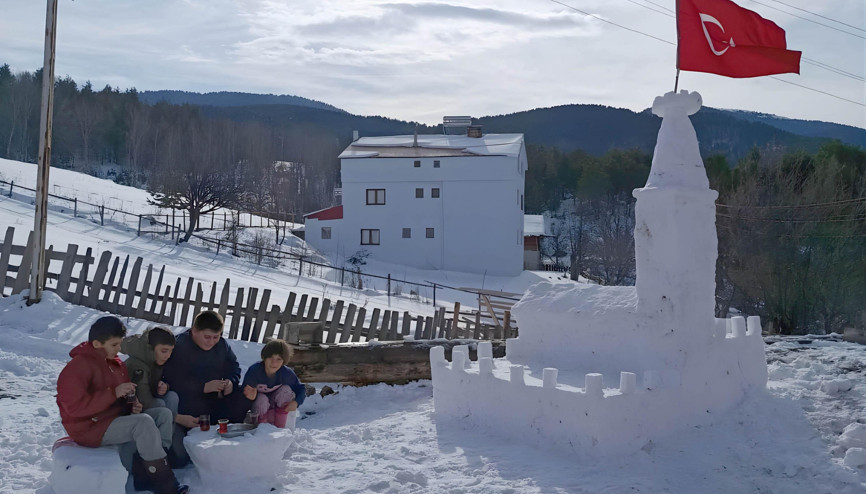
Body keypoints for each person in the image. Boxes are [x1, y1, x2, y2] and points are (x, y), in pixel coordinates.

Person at [56, 316, 188, 494]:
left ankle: (147, 474)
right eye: (114, 345)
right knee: (143, 423)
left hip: (112, 419)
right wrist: (113, 393)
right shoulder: (77, 368)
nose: (119, 349)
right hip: (89, 427)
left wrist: (132, 405)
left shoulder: (115, 364)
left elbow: (123, 395)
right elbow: (74, 409)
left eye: (120, 344)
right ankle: (166, 485)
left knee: (163, 414)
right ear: (96, 344)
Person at [162, 310, 246, 467]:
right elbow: (171, 379)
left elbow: (234, 366)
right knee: (180, 459)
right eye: (207, 337)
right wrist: (202, 387)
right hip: (188, 405)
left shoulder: (221, 345)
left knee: (242, 396)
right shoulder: (180, 346)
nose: (212, 342)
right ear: (194, 331)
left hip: (216, 401)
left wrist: (230, 382)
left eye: (216, 337)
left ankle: (233, 443)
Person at [242, 339, 306, 428]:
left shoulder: (286, 373)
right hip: (259, 409)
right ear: (264, 357)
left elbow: (301, 389)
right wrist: (250, 397)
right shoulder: (255, 371)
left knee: (285, 390)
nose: (274, 362)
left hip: (277, 406)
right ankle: (261, 430)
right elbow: (243, 393)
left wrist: (296, 402)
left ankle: (280, 429)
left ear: (284, 361)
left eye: (278, 359)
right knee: (261, 399)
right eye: (270, 358)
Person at [121, 326, 177, 412]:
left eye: (171, 351)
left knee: (172, 397)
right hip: (135, 408)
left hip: (148, 400)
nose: (168, 356)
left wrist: (163, 387)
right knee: (160, 405)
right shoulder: (138, 366)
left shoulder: (155, 359)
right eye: (164, 351)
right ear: (150, 348)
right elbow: (144, 400)